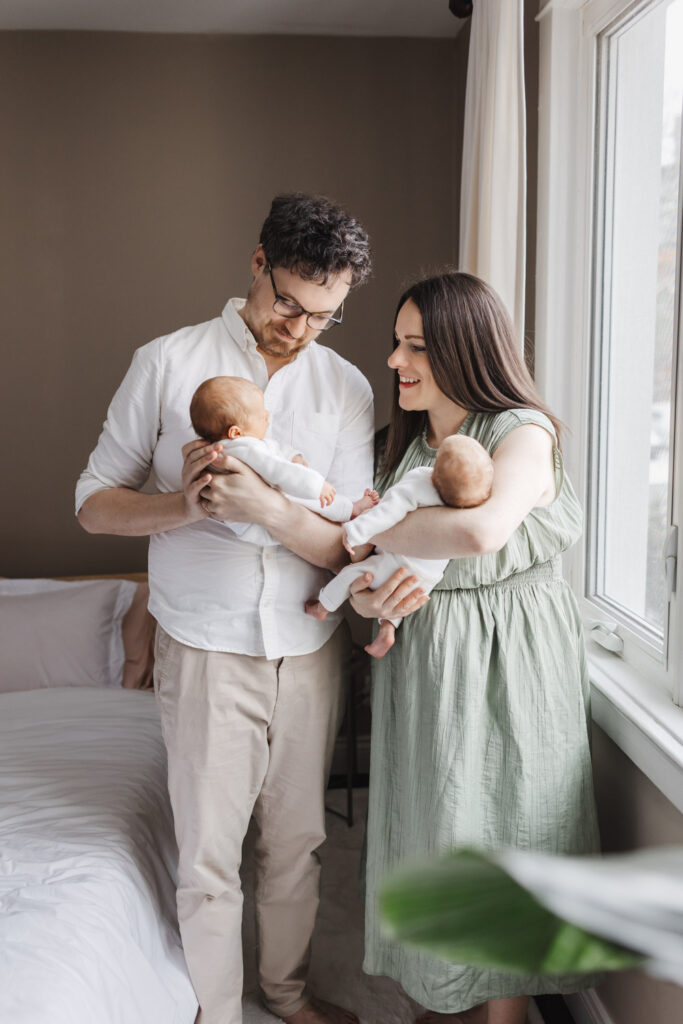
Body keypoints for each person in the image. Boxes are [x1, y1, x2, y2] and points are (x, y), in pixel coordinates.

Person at [76, 194, 427, 1024]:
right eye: (289, 305)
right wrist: (185, 508)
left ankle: (288, 995)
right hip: (201, 646)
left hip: (307, 653)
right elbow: (93, 503)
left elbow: (346, 538)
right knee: (206, 860)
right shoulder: (165, 362)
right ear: (258, 263)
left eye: (325, 317)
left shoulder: (343, 386)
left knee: (299, 847)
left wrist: (267, 510)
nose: (299, 329)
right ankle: (219, 1014)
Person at [347, 272, 601, 1024]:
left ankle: (504, 1014)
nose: (395, 361)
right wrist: (368, 593)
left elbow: (481, 532)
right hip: (425, 663)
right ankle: (444, 995)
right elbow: (374, 576)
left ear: (466, 349)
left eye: (416, 346)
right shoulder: (401, 444)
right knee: (435, 828)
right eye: (395, 342)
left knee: (502, 831)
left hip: (508, 659)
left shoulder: (521, 429)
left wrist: (366, 530)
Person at [304, 434, 493, 658]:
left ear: (434, 475)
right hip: (427, 579)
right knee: (398, 601)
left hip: (396, 564)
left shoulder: (421, 482)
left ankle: (323, 606)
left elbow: (386, 512)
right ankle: (388, 629)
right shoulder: (473, 505)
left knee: (351, 574)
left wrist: (355, 531)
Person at [189, 375, 379, 524]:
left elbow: (271, 450)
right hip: (268, 502)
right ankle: (350, 510)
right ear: (236, 432)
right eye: (260, 415)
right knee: (313, 501)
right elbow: (278, 469)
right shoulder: (244, 448)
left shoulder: (227, 447)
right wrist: (317, 485)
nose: (267, 416)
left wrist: (292, 456)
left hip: (252, 508)